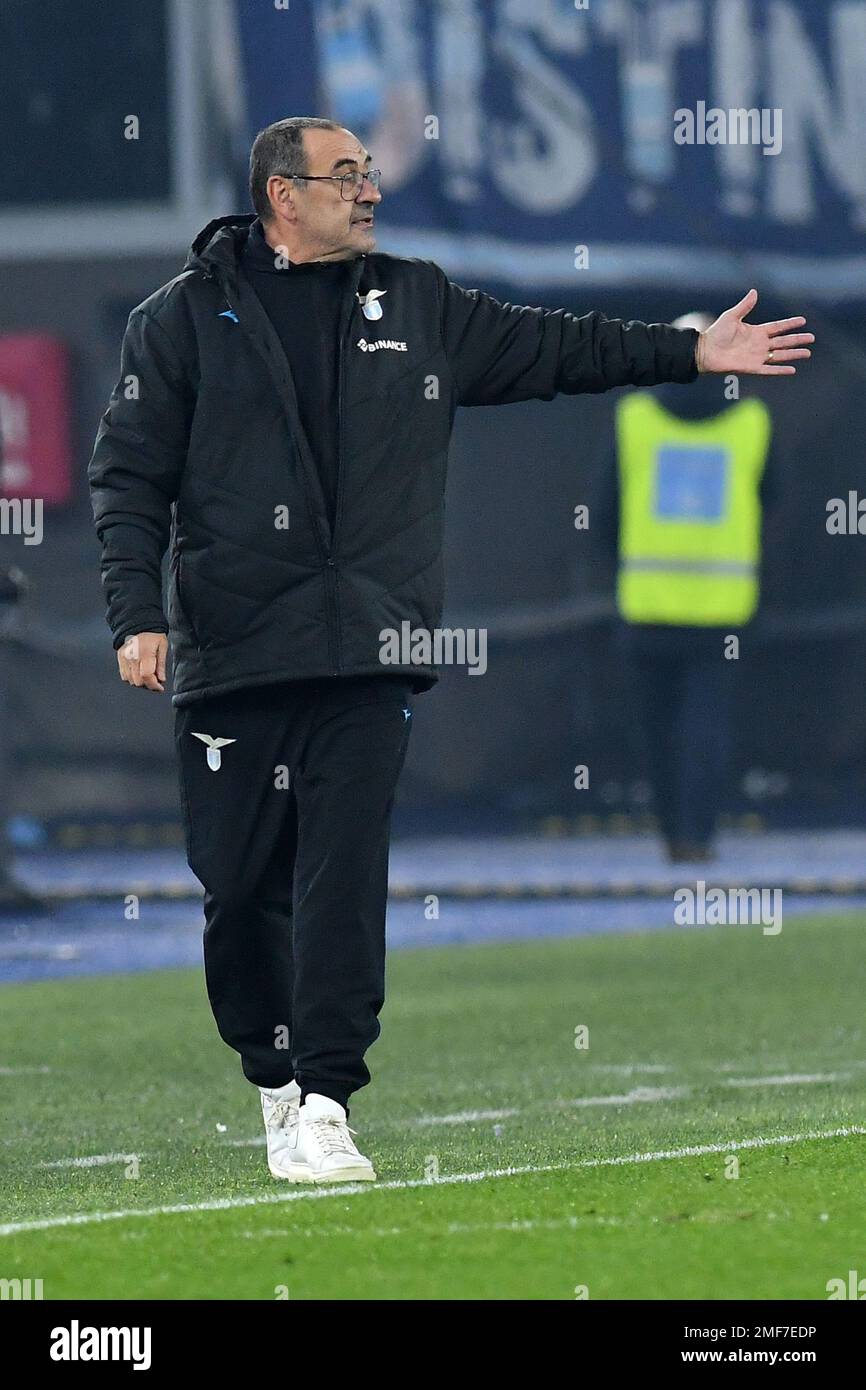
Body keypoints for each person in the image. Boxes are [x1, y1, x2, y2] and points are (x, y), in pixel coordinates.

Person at [87, 117, 813, 1184]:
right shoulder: (181, 321)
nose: (368, 190)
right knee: (240, 891)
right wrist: (132, 614)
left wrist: (688, 350)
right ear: (281, 196)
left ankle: (329, 1099)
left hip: (367, 647)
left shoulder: (417, 302)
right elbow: (128, 479)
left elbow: (555, 345)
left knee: (343, 877)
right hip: (233, 648)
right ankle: (275, 1080)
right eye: (346, 176)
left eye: (370, 173)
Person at [601, 313, 777, 862]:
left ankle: (671, 835)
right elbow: (772, 500)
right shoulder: (751, 422)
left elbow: (605, 513)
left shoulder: (634, 419)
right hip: (722, 609)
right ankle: (698, 837)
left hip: (649, 605)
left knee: (656, 728)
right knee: (706, 725)